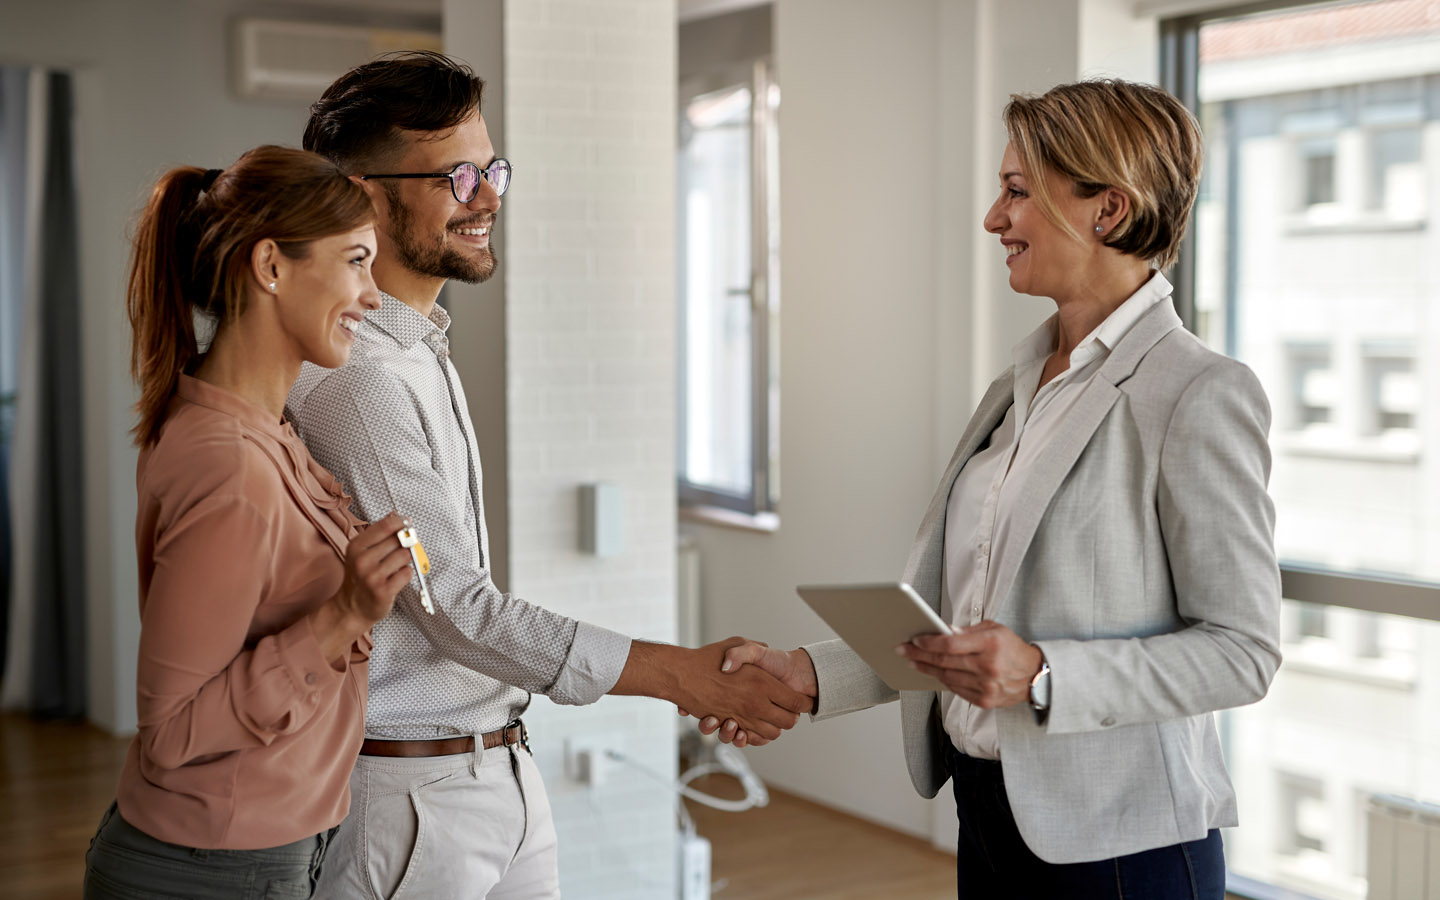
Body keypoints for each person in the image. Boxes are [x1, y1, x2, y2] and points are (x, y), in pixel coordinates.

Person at [707, 79, 1283, 899]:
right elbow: (968, 628)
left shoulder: (1197, 392)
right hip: (991, 819)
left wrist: (1046, 674)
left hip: (1119, 849)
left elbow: (1243, 650)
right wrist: (809, 672)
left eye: (1017, 192)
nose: (993, 218)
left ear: (1107, 211)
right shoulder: (1023, 380)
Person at [287, 51, 810, 899]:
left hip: (496, 774)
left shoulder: (419, 348)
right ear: (363, 195)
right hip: (412, 802)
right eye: (458, 174)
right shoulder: (358, 380)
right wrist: (680, 676)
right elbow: (452, 604)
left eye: (492, 168)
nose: (489, 195)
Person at [83, 146, 415, 899]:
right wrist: (344, 614)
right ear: (271, 266)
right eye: (357, 261)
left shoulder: (261, 427)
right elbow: (170, 733)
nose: (372, 295)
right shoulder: (231, 463)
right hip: (214, 871)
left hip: (252, 855)